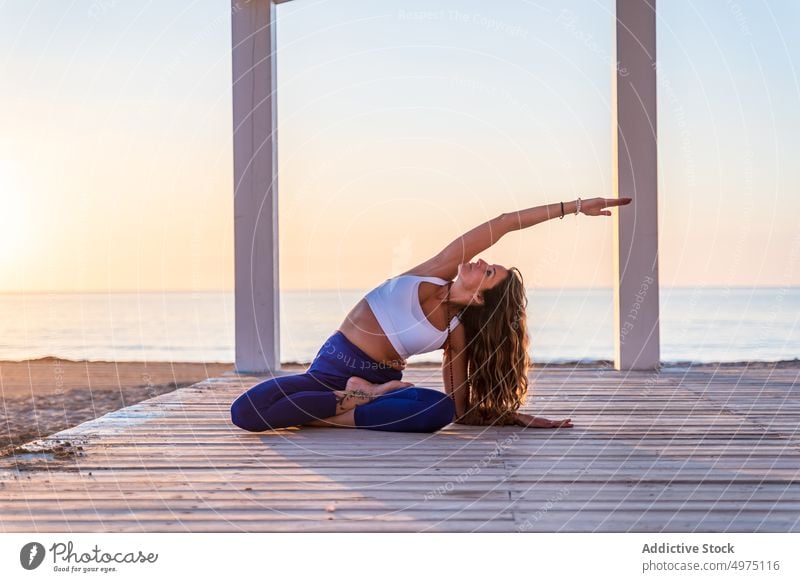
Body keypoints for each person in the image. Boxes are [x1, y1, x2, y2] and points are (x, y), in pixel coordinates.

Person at [230, 196, 633, 433]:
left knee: (436, 410)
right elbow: (506, 223)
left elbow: (457, 408)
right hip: (329, 371)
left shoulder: (454, 332)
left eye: (488, 272)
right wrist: (577, 207)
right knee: (243, 413)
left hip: (377, 385)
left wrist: (507, 416)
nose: (482, 262)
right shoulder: (436, 270)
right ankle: (350, 403)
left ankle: (343, 407)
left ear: (479, 300)